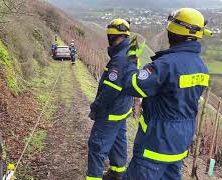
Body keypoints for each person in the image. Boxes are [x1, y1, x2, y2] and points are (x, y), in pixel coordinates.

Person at [119, 8, 211, 179]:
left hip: (155, 144)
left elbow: (131, 86)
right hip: (180, 144)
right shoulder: (202, 67)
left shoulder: (165, 65)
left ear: (173, 32)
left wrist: (132, 60)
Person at [86, 18, 133, 180]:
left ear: (112, 37)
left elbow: (111, 90)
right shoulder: (129, 53)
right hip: (122, 109)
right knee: (119, 140)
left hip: (111, 110)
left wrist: (96, 107)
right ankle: (117, 171)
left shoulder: (119, 58)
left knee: (96, 146)